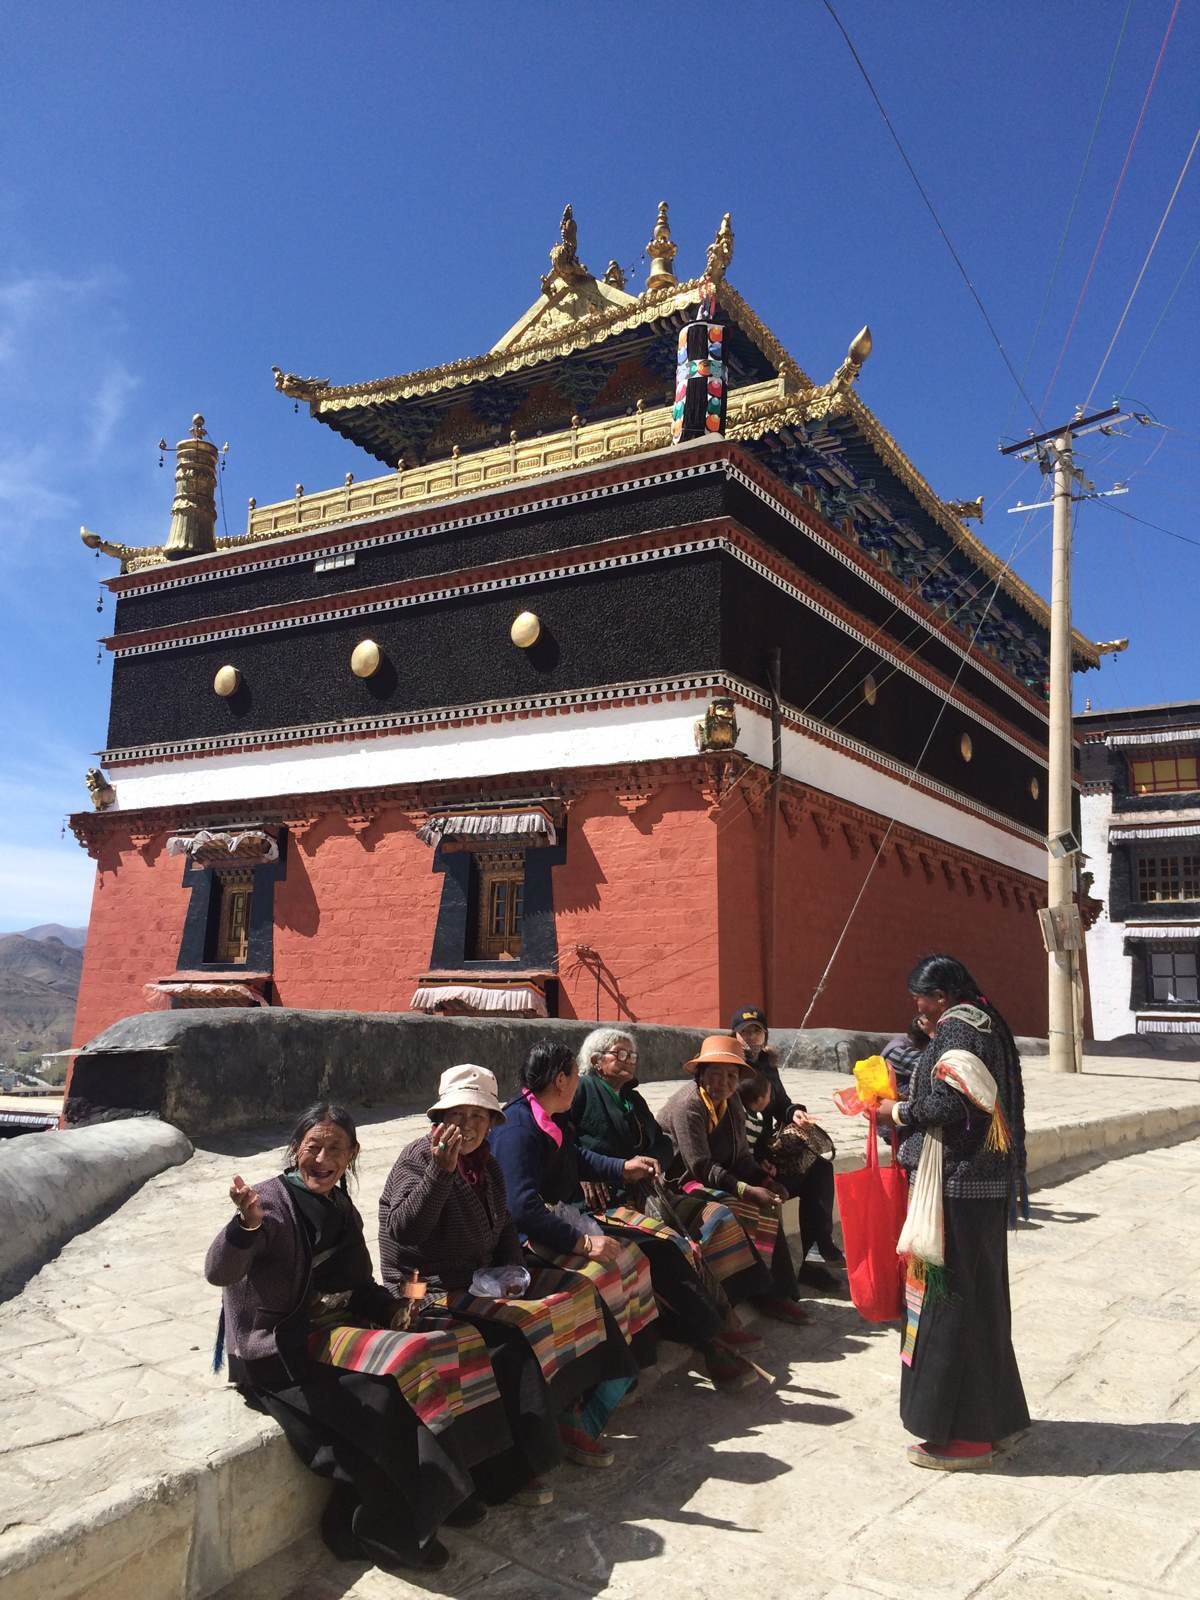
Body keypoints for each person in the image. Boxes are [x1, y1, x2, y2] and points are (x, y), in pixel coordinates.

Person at [204, 1102, 509, 1574]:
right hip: (278, 1354)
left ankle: (449, 1493)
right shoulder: (270, 1205)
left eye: (335, 1150)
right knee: (384, 1400)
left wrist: (392, 1309)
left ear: (351, 1157)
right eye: (313, 1147)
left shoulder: (341, 1206)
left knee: (442, 1354)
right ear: (295, 1148)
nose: (322, 1159)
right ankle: (383, 1533)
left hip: (330, 1333)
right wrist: (244, 1226)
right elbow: (219, 1271)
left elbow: (360, 1286)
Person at [378, 1064, 640, 1504]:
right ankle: (511, 1470)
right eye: (458, 1115)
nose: (468, 1126)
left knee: (576, 1295)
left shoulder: (487, 1166)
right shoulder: (419, 1158)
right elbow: (406, 1232)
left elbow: (503, 1229)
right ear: (439, 1120)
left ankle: (581, 1415)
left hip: (479, 1282)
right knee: (508, 1342)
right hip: (421, 1291)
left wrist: (518, 1278)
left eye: (479, 1117)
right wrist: (440, 1175)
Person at [876, 955, 1030, 1471]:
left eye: (920, 997)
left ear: (940, 995)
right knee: (983, 1301)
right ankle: (998, 1422)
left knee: (950, 1305)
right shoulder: (989, 1022)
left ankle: (964, 1435)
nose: (917, 1007)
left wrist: (893, 1110)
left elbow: (948, 1105)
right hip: (982, 1185)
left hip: (955, 1184)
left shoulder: (957, 1029)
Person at [488, 1041, 661, 1467]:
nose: (579, 1080)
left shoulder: (551, 1118)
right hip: (523, 1244)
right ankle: (579, 1411)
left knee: (633, 1261)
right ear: (561, 1079)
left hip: (555, 1227)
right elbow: (521, 1208)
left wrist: (621, 1167)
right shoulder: (517, 1129)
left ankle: (617, 1378)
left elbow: (575, 1157)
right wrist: (584, 1244)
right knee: (599, 1278)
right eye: (574, 1074)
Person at [570, 1027, 763, 1391]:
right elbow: (565, 1142)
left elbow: (662, 1143)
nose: (629, 1061)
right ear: (596, 1062)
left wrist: (652, 1160)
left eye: (632, 1055)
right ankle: (712, 1339)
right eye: (620, 1054)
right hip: (607, 1200)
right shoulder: (582, 1092)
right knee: (671, 1244)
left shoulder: (633, 1099)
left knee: (717, 1216)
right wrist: (589, 1173)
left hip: (649, 1190)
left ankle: (730, 1309)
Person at [658, 1035, 809, 1324]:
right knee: (729, 1211)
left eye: (731, 1075)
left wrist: (764, 1181)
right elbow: (698, 1165)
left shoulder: (732, 1103)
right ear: (701, 1074)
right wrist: (744, 1190)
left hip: (713, 1177)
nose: (724, 1082)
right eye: (715, 1074)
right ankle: (739, 1299)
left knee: (768, 1205)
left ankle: (778, 1293)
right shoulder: (688, 1105)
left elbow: (740, 1156)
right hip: (679, 1183)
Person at [731, 1005, 843, 1286]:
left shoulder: (768, 1067)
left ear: (765, 1035)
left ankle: (815, 1260)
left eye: (757, 1031)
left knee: (819, 1170)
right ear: (734, 1036)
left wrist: (794, 1112)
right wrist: (756, 1163)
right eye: (745, 1032)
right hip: (741, 1163)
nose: (751, 1038)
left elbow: (779, 1103)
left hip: (768, 1154)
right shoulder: (728, 1068)